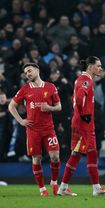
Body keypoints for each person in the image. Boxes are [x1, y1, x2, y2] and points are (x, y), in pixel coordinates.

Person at [57, 56, 105, 196]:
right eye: (98, 66)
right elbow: (81, 97)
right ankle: (96, 188)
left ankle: (63, 188)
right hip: (84, 122)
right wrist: (84, 114)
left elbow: (74, 99)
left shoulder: (81, 79)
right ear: (90, 66)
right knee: (92, 152)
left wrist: (79, 113)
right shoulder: (85, 80)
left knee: (76, 154)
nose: (100, 68)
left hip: (79, 120)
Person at [8, 62, 62, 196]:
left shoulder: (50, 87)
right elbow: (11, 106)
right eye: (26, 73)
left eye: (30, 71)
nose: (28, 74)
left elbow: (59, 106)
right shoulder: (25, 89)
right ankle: (42, 189)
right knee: (36, 159)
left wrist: (50, 108)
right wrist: (21, 121)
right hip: (33, 130)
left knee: (55, 157)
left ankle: (54, 183)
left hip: (49, 129)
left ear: (37, 70)